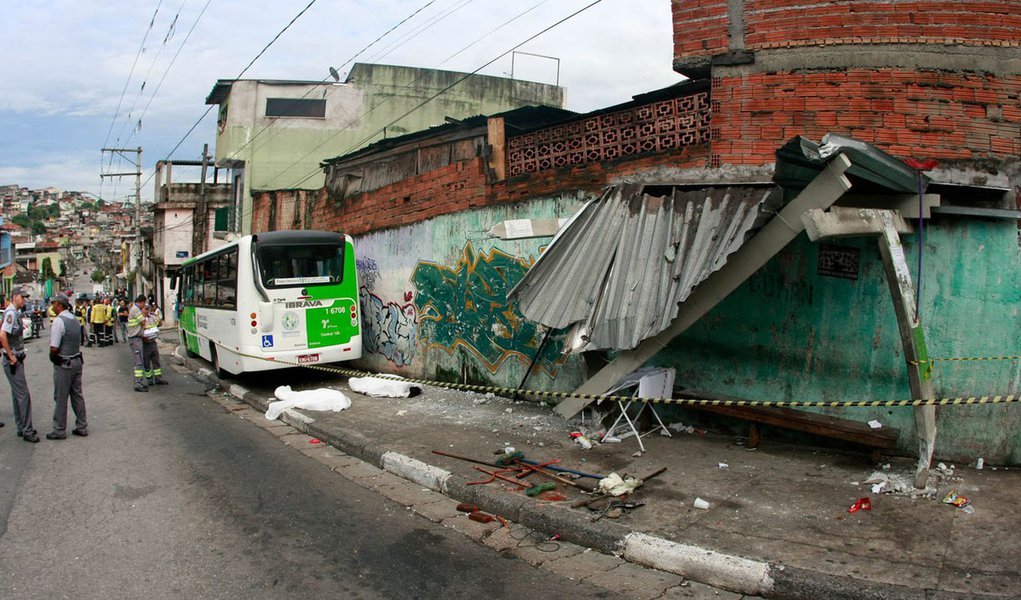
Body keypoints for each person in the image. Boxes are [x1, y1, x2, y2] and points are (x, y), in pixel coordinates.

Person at [0, 287, 38, 442]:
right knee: (23, 395)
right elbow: (3, 335)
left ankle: (22, 427)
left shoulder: (15, 313)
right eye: (22, 297)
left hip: (15, 358)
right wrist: (11, 356)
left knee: (17, 395)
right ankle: (27, 430)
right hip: (13, 361)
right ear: (15, 297)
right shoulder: (10, 313)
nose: (24, 300)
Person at [47, 295, 87, 440]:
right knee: (77, 395)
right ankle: (82, 426)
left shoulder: (59, 321)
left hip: (65, 363)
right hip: (77, 360)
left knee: (61, 396)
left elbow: (54, 346)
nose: (52, 306)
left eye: (53, 303)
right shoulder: (74, 319)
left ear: (59, 305)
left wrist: (52, 357)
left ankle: (59, 430)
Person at [142, 303, 167, 386]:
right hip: (144, 343)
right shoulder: (140, 319)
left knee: (156, 361)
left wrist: (158, 318)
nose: (147, 311)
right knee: (146, 363)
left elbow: (159, 324)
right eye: (146, 309)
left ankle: (158, 378)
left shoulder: (151, 317)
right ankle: (149, 379)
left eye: (148, 309)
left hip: (153, 342)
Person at [127, 295, 148, 392]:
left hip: (136, 339)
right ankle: (137, 383)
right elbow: (143, 322)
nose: (144, 306)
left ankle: (138, 382)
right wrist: (144, 314)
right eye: (144, 303)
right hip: (135, 339)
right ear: (142, 302)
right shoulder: (136, 310)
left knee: (139, 361)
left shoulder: (134, 309)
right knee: (139, 362)